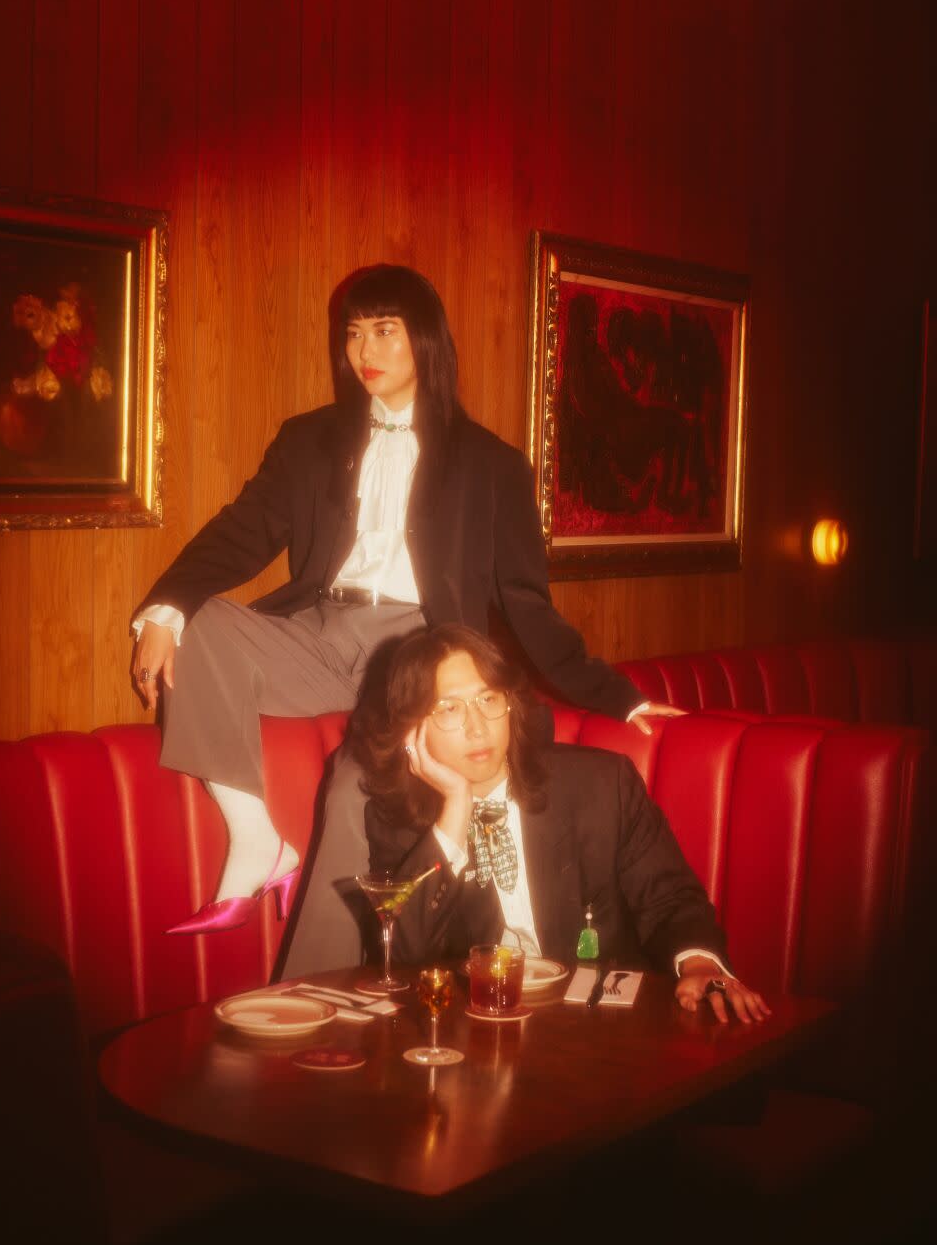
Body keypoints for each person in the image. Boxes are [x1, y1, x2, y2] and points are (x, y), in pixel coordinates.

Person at [129, 264, 679, 954]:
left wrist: (616, 694)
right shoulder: (308, 440)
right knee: (195, 621)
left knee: (352, 789)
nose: (365, 351)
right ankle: (256, 838)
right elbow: (242, 533)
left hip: (423, 652)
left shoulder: (492, 466)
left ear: (424, 340)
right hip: (321, 633)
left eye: (385, 331)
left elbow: (526, 603)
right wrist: (163, 607)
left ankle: (313, 1003)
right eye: (354, 333)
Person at [349, 622, 769, 1023]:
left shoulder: (602, 785)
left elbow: (672, 900)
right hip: (476, 1037)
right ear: (411, 732)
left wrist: (697, 963)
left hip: (598, 1030)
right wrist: (455, 808)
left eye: (489, 699)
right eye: (448, 709)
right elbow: (400, 958)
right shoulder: (397, 821)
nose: (477, 728)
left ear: (511, 705)